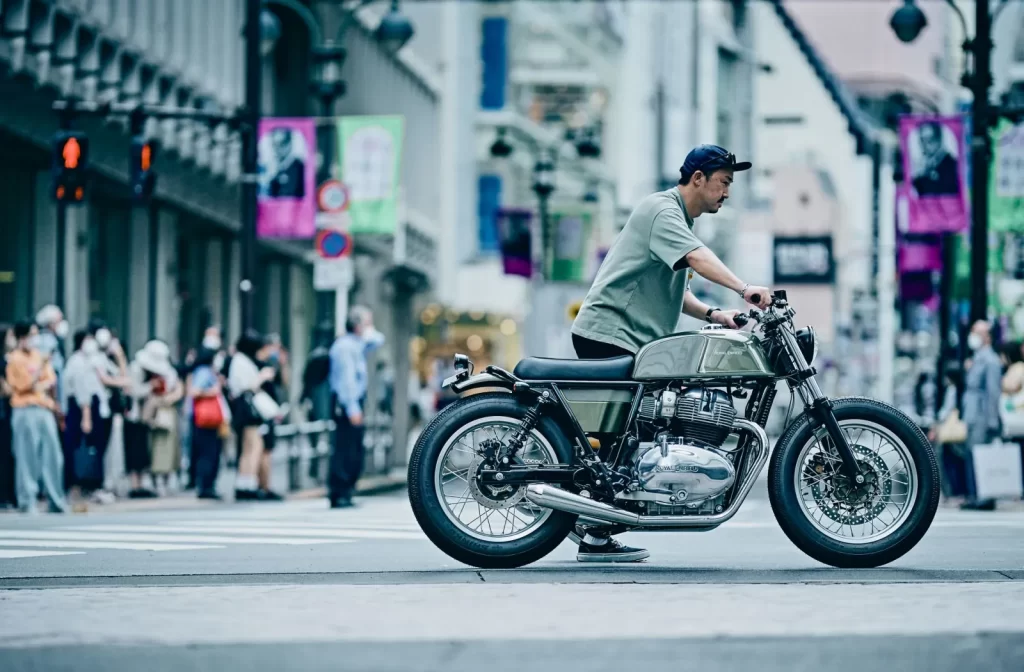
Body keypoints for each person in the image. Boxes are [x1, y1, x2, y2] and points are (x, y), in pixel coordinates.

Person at [569, 144, 771, 563]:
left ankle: (599, 528)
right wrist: (744, 288)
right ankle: (594, 529)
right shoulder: (662, 211)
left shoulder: (675, 218)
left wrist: (715, 314)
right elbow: (697, 258)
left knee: (633, 432)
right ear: (698, 178)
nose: (727, 192)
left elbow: (679, 292)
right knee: (622, 437)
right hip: (611, 333)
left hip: (626, 337)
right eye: (724, 182)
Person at [5, 320, 68, 514]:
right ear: (21, 337)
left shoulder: (38, 355)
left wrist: (39, 383)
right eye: (31, 335)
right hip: (24, 409)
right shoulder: (14, 359)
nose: (34, 339)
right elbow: (23, 386)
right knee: (27, 456)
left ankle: (56, 499)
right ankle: (27, 500)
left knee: (53, 454)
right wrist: (39, 376)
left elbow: (51, 380)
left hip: (44, 407)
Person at [328, 306, 385, 509]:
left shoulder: (356, 344)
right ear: (358, 325)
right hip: (346, 403)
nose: (370, 327)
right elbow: (346, 381)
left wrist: (369, 329)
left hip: (352, 401)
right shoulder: (345, 347)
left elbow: (378, 340)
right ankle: (340, 491)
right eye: (367, 323)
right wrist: (352, 408)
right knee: (345, 448)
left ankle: (345, 490)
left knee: (353, 447)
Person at [227, 330, 278, 501]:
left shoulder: (240, 360)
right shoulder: (241, 361)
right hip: (247, 410)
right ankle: (246, 485)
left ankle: (247, 483)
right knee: (251, 447)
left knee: (251, 447)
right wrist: (262, 376)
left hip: (245, 409)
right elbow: (247, 386)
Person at [961, 320, 1001, 511]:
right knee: (972, 455)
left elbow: (993, 392)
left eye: (978, 332)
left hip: (982, 416)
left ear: (987, 336)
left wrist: (992, 420)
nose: (973, 336)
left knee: (981, 456)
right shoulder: (977, 358)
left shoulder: (991, 360)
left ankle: (984, 496)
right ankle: (975, 495)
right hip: (972, 414)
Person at [137, 340, 184, 495]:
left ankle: (165, 478)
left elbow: (179, 390)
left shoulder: (170, 374)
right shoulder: (144, 372)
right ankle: (154, 478)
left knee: (167, 447)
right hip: (150, 414)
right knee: (151, 446)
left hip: (166, 414)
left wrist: (165, 400)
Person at [187, 346, 227, 499]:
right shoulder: (204, 372)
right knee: (208, 452)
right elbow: (194, 391)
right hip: (205, 420)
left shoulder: (205, 372)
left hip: (207, 420)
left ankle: (207, 485)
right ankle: (206, 486)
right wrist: (213, 391)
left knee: (210, 452)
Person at [911, 121, 959, 197]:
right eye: (922, 140)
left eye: (929, 140)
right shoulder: (924, 167)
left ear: (939, 140)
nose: (924, 146)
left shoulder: (952, 165)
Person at [34, 305, 68, 408]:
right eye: (59, 321)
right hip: (50, 393)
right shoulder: (47, 340)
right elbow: (50, 369)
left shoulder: (54, 339)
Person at [0, 324, 17, 508]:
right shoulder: (3, 362)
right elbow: (7, 389)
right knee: (4, 455)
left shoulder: (10, 359)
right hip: (3, 412)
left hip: (9, 411)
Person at [267, 129, 305, 198]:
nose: (277, 149)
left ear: (290, 144)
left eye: (281, 144)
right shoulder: (275, 168)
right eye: (274, 145)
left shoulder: (300, 167)